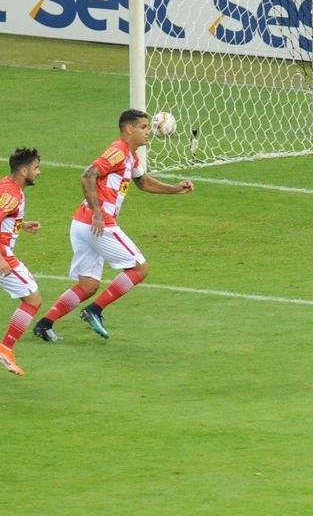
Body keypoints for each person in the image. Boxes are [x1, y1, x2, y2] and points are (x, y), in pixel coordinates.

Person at [33, 109, 193, 343]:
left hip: (82, 223)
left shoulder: (131, 156)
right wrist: (98, 213)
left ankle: (45, 324)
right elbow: (88, 175)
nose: (148, 132)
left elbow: (143, 182)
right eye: (143, 127)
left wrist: (175, 189)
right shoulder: (118, 151)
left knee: (88, 285)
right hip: (99, 224)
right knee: (139, 269)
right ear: (129, 129)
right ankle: (94, 310)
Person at [0, 148, 43, 376]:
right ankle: (5, 349)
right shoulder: (11, 194)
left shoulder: (9, 187)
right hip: (3, 254)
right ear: (24, 170)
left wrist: (20, 224)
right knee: (33, 299)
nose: (39, 172)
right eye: (36, 168)